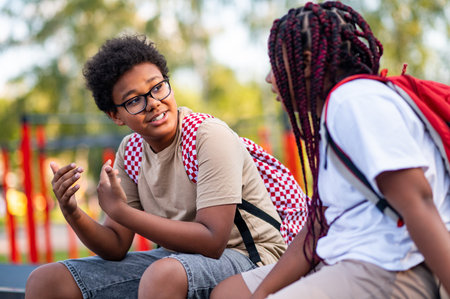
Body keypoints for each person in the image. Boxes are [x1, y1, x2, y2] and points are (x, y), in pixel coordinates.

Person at [211, 2, 450, 298]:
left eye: (275, 64)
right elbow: (316, 229)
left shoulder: (352, 101)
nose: (269, 78)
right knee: (228, 293)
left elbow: (419, 202)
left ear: (308, 62)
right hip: (345, 256)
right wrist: (258, 295)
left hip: (393, 266)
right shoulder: (336, 114)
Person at [25, 34, 287, 299]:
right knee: (48, 280)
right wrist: (72, 211)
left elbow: (212, 240)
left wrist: (121, 211)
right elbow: (115, 244)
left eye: (158, 87)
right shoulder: (131, 151)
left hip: (252, 258)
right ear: (116, 115)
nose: (153, 103)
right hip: (178, 261)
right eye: (134, 101)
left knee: (163, 274)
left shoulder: (207, 136)